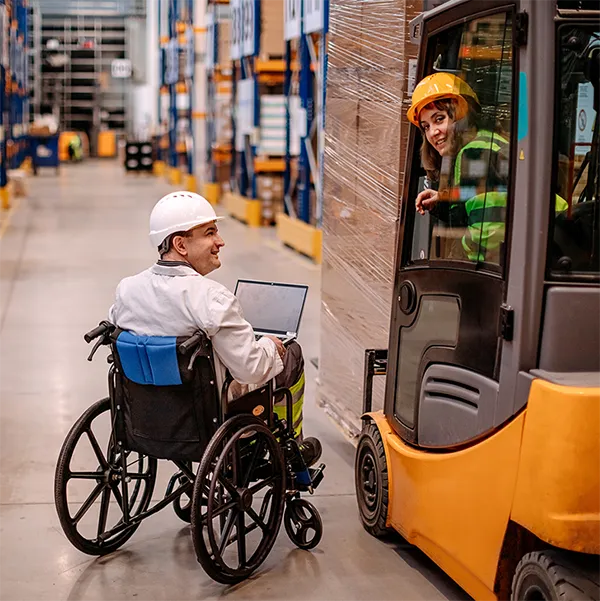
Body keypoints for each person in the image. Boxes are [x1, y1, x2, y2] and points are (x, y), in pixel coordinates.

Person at [108, 191, 321, 466]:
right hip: (205, 412)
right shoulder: (212, 299)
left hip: (147, 412)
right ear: (180, 244)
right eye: (210, 233)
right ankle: (288, 450)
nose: (220, 242)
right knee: (291, 354)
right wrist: (270, 345)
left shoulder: (127, 290)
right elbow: (250, 369)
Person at [407, 72, 568, 263]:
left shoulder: (475, 152)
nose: (433, 132)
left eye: (439, 119)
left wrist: (458, 261)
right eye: (425, 126)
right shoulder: (485, 142)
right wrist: (442, 200)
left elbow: (487, 236)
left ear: (462, 115)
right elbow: (483, 203)